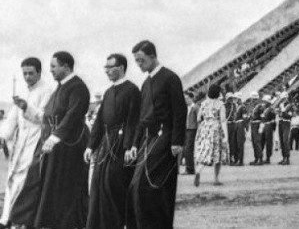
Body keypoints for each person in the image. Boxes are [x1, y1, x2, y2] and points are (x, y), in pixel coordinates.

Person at [10, 51, 91, 229]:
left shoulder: (78, 87)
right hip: (51, 145)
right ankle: (30, 221)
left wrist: (54, 138)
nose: (51, 70)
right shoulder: (60, 87)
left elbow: (72, 116)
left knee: (63, 187)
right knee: (39, 181)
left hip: (67, 147)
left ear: (66, 66)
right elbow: (46, 117)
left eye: (54, 66)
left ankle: (65, 224)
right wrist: (27, 108)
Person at [127, 40, 187, 229]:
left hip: (166, 136)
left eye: (141, 60)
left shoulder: (170, 78)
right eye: (136, 61)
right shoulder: (145, 83)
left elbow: (180, 110)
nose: (139, 65)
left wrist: (177, 141)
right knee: (135, 187)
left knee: (149, 186)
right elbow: (141, 118)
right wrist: (135, 144)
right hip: (148, 138)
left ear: (153, 56)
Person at [85, 53, 141, 229]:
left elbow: (134, 120)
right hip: (105, 145)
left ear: (122, 68)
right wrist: (90, 146)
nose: (107, 71)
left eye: (111, 67)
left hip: (121, 146)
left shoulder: (132, 90)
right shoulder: (108, 92)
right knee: (97, 185)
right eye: (106, 68)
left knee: (114, 186)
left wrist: (129, 146)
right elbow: (100, 122)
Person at [0, 57, 52, 228]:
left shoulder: (47, 91)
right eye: (25, 73)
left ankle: (21, 220)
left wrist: (26, 107)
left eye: (31, 73)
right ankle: (7, 218)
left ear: (39, 72)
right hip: (20, 141)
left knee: (25, 180)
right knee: (12, 178)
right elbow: (12, 117)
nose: (27, 77)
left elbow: (46, 118)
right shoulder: (23, 90)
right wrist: (4, 135)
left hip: (35, 139)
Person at [194, 83, 229, 186]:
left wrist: (205, 125)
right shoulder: (220, 104)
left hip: (205, 128)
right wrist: (226, 135)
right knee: (217, 154)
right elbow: (223, 120)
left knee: (204, 152)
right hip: (216, 128)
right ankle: (216, 179)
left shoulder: (204, 103)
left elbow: (198, 118)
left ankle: (198, 172)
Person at [183, 91, 199, 175]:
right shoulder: (186, 108)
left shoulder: (195, 107)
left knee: (188, 149)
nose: (185, 100)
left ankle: (189, 169)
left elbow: (199, 119)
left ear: (191, 98)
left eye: (187, 98)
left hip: (192, 130)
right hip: (186, 129)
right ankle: (189, 168)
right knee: (186, 149)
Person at [249, 92, 265, 165]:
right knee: (254, 142)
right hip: (253, 124)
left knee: (257, 142)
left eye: (253, 98)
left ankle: (260, 159)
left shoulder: (260, 106)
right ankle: (256, 158)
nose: (252, 100)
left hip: (257, 124)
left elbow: (263, 117)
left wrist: (261, 126)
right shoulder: (252, 106)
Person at [261, 95, 276, 164]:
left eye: (265, 101)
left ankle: (268, 158)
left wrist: (272, 127)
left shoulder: (271, 109)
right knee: (261, 141)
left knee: (268, 143)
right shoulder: (263, 108)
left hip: (268, 125)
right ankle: (260, 156)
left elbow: (273, 120)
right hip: (263, 125)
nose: (264, 102)